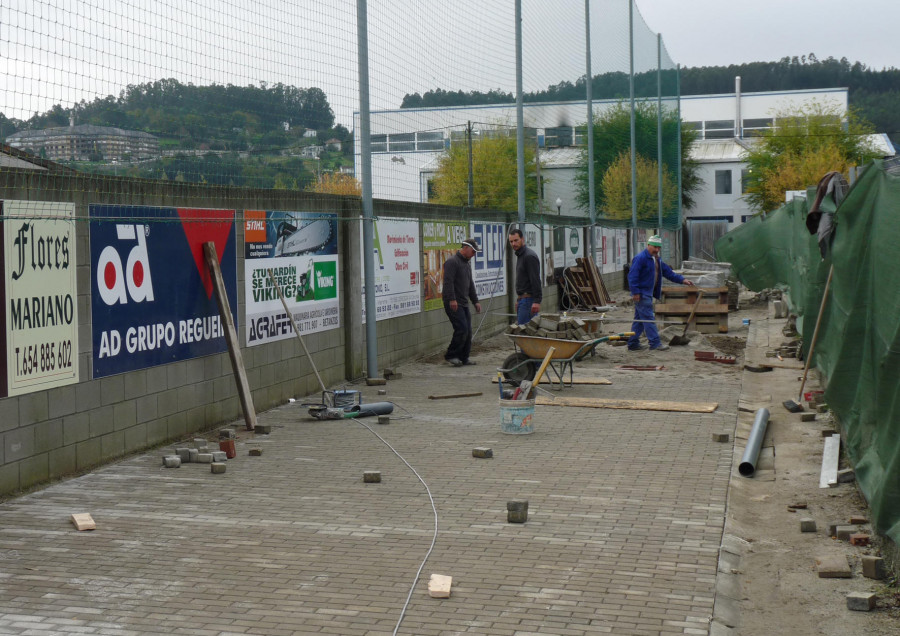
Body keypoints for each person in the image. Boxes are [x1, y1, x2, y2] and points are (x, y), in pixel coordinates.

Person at [627, 234, 694, 352]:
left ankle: (633, 343)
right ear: (648, 245)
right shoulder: (640, 258)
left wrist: (682, 280)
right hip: (642, 294)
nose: (657, 250)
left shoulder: (657, 259)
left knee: (639, 320)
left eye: (659, 248)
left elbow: (668, 273)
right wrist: (636, 292)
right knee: (648, 318)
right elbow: (632, 276)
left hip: (647, 293)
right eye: (654, 247)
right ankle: (655, 343)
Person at [442, 237, 482, 366]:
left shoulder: (466, 264)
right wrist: (452, 299)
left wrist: (475, 301)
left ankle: (464, 357)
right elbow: (448, 282)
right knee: (461, 328)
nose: (474, 254)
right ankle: (451, 355)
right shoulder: (452, 262)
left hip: (463, 302)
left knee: (468, 331)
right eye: (473, 251)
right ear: (465, 248)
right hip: (453, 303)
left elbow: (470, 284)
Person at [508, 228, 542, 324]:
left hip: (529, 301)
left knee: (524, 333)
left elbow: (535, 280)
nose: (513, 244)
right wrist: (519, 299)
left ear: (522, 239)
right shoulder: (521, 256)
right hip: (523, 300)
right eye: (511, 241)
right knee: (523, 331)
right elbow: (523, 281)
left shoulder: (529, 256)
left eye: (516, 240)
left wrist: (537, 301)